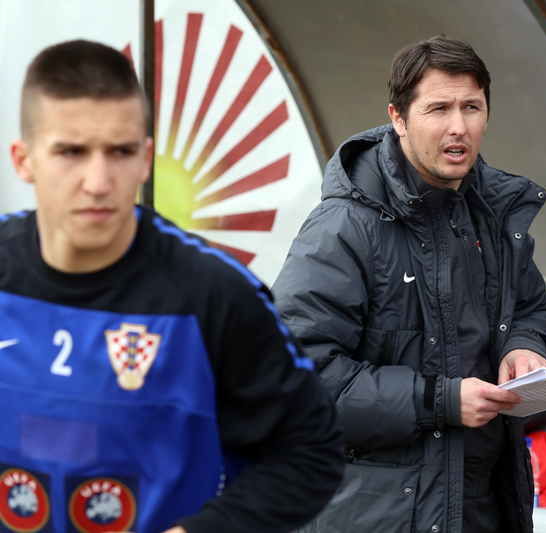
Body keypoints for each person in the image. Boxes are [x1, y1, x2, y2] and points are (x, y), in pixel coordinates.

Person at [0, 40, 342, 533]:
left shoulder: (213, 294)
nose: (97, 181)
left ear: (145, 159)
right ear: (24, 159)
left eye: (119, 152)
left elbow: (310, 452)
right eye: (71, 152)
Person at [273, 34, 546, 533]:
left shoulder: (492, 217)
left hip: (483, 506)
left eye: (471, 107)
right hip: (375, 515)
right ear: (399, 118)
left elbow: (533, 309)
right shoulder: (344, 227)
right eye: (438, 109)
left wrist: (525, 346)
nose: (458, 127)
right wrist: (439, 401)